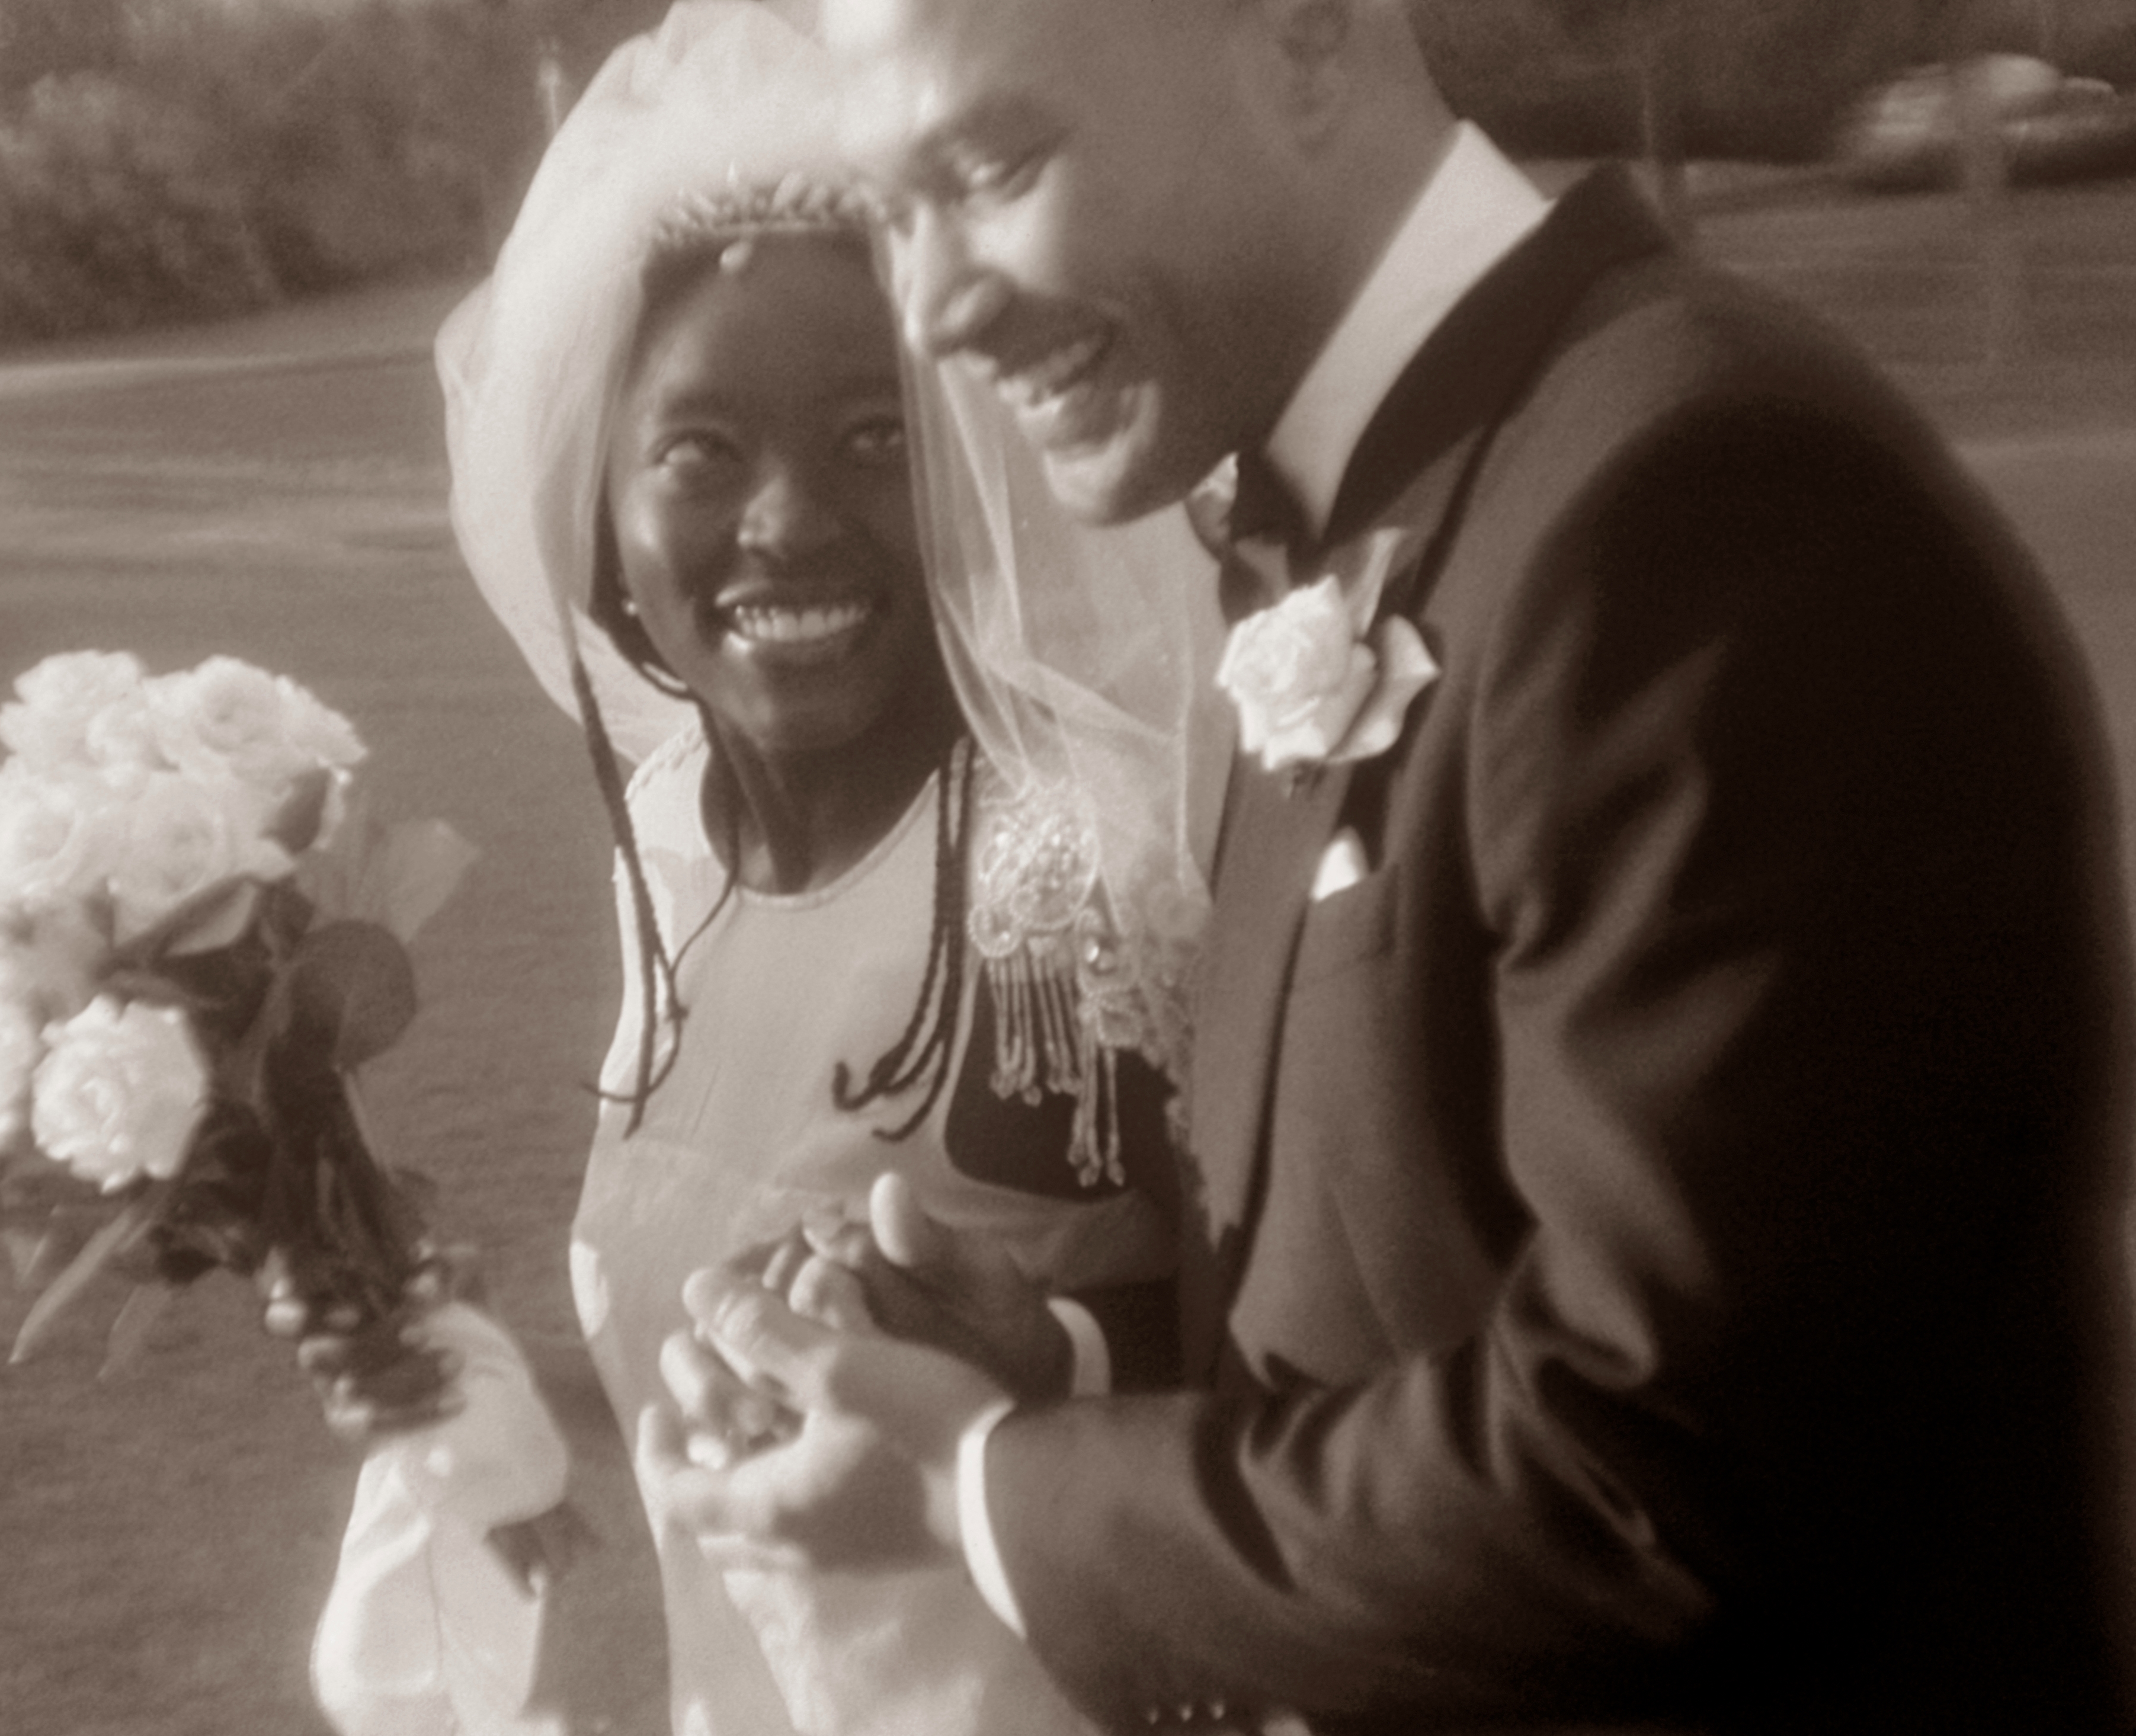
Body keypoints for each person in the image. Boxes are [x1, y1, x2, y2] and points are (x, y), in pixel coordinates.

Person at [646, 1, 2136, 1731]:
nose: (930, 306)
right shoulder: (1388, 516)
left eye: (987, 169)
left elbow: (1654, 1480)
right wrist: (1056, 1373)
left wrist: (977, 1486)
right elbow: (1437, 1291)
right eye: (890, 207)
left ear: (1303, 41)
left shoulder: (1694, 508)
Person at [308, 5, 1219, 1732]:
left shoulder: (1072, 859)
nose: (785, 519)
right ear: (601, 509)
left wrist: (1035, 1363)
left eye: (873, 437)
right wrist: (446, 1368)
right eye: (700, 451)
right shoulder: (670, 842)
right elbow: (690, 1374)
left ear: (979, 470)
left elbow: (1280, 1390)